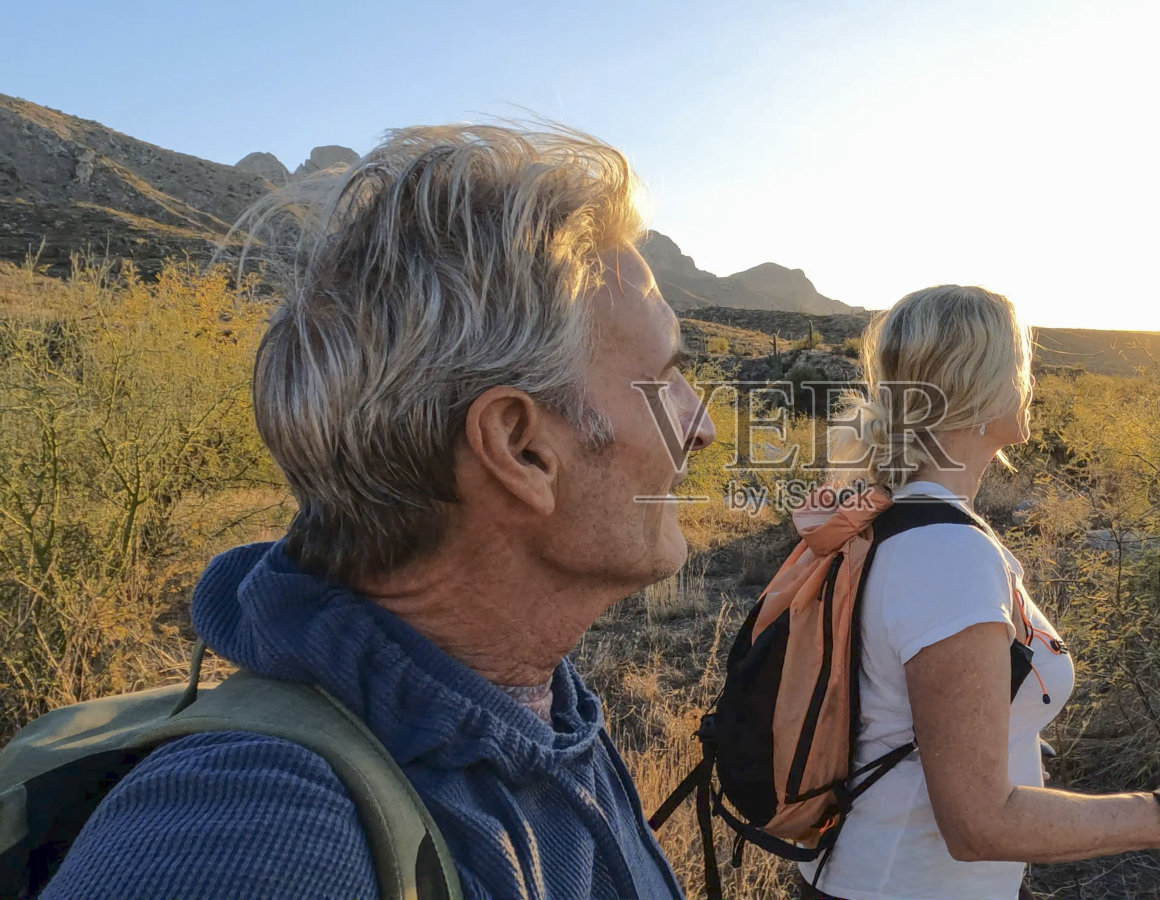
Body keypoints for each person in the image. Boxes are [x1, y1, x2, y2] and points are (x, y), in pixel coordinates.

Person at [39, 123, 714, 900]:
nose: (700, 426)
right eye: (665, 383)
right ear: (520, 448)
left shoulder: (537, 709)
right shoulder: (256, 829)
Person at [797, 286, 1160, 900]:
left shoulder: (895, 519)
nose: (1029, 384)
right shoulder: (946, 554)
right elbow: (979, 823)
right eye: (1020, 367)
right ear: (981, 389)